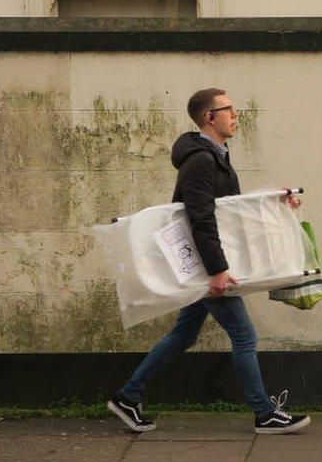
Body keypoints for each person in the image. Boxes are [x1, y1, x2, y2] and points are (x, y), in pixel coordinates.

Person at [106, 88, 311, 435]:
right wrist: (216, 271)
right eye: (228, 109)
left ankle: (129, 396)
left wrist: (277, 202)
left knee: (184, 334)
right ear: (208, 117)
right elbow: (200, 218)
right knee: (243, 336)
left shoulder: (215, 154)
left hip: (209, 263)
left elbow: (229, 210)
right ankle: (264, 414)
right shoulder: (201, 160)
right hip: (208, 265)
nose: (236, 114)